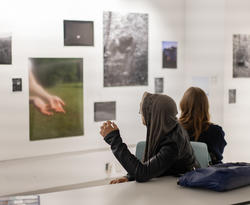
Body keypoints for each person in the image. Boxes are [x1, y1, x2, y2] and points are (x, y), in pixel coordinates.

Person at [100, 92, 199, 183]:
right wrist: (129, 177)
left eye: (143, 111)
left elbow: (143, 173)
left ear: (155, 114)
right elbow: (153, 165)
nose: (141, 114)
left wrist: (114, 140)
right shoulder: (167, 129)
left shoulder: (173, 143)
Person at [179, 87, 227, 165]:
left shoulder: (174, 130)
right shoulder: (216, 131)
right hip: (207, 176)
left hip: (179, 175)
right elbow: (218, 157)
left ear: (182, 105)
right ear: (205, 106)